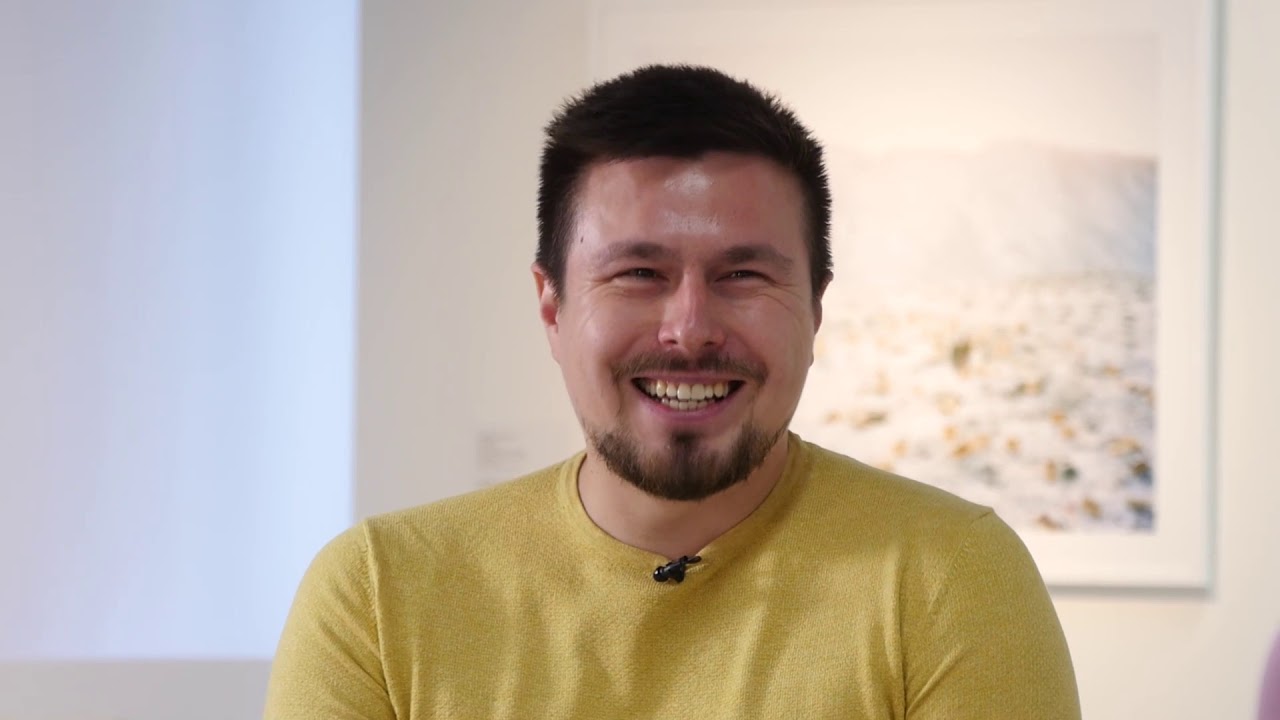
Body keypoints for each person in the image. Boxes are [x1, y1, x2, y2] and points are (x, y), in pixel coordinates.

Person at [264, 64, 1081, 719]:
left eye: (743, 276)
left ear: (815, 310)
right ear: (552, 307)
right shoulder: (379, 595)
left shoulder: (949, 575)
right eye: (638, 273)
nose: (689, 330)